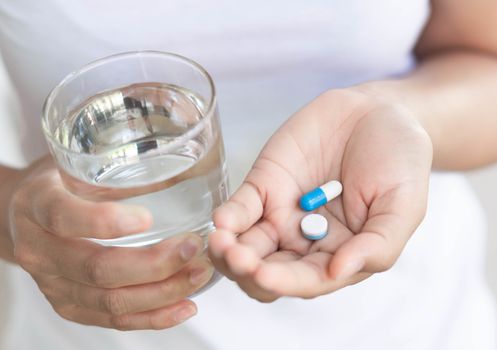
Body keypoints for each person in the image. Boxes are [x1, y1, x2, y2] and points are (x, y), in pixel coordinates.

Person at [0, 0, 496, 349]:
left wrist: (398, 112)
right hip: (97, 337)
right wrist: (12, 215)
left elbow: (484, 63)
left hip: (411, 323)